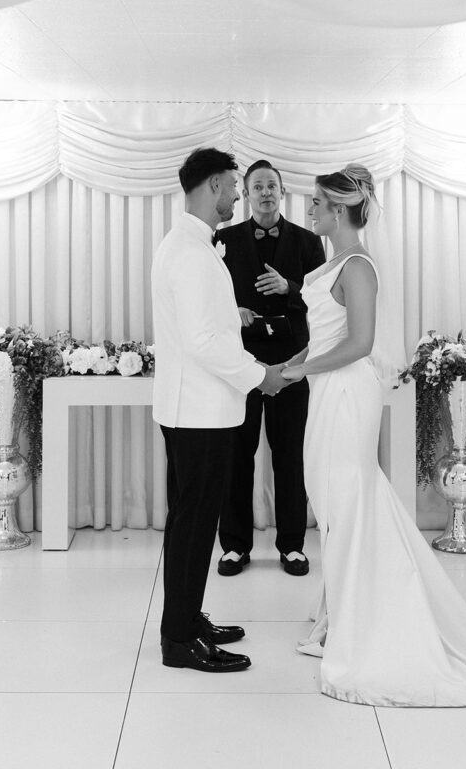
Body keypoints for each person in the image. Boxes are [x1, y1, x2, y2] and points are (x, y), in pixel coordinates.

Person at [281, 164, 466, 706]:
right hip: (328, 389)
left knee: (346, 495)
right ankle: (342, 612)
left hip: (347, 393)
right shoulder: (333, 262)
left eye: (317, 204)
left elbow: (361, 342)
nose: (311, 212)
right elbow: (327, 334)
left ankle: (361, 624)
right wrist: (290, 365)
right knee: (335, 500)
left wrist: (304, 370)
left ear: (340, 209)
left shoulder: (359, 266)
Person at [151, 147, 289, 674]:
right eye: (233, 185)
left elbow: (202, 320)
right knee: (192, 524)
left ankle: (185, 619)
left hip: (195, 409)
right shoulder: (189, 251)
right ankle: (180, 640)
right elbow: (203, 341)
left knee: (191, 521)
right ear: (212, 186)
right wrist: (261, 376)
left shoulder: (188, 244)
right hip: (199, 413)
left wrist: (232, 314)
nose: (238, 193)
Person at [215, 160, 325, 577]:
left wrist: (290, 289)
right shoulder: (221, 239)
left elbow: (325, 299)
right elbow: (208, 299)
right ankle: (235, 546)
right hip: (240, 364)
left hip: (292, 363)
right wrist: (233, 310)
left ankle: (293, 545)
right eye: (257, 186)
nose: (265, 192)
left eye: (271, 186)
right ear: (246, 192)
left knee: (290, 456)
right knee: (236, 457)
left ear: (282, 192)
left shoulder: (308, 241)